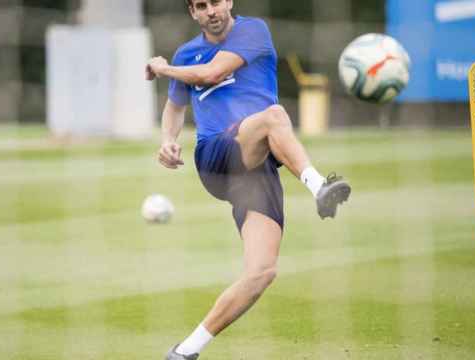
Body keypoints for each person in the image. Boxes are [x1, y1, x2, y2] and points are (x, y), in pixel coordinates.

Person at [146, 0, 351, 358]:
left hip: (257, 172)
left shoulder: (253, 31)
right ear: (192, 12)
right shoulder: (187, 53)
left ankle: (185, 351)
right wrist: (168, 140)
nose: (211, 10)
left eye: (215, 1)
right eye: (200, 5)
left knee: (261, 272)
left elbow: (210, 74)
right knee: (274, 116)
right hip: (216, 157)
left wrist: (165, 68)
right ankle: (320, 186)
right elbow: (175, 107)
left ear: (229, 2)